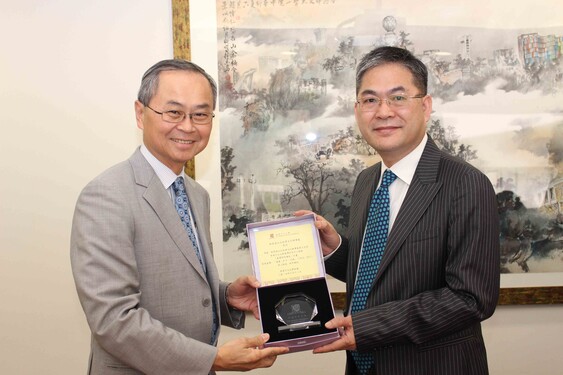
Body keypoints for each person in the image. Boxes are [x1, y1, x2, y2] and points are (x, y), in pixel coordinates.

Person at [70, 59, 288, 375]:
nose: (187, 126)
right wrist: (212, 359)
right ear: (140, 113)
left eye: (200, 114)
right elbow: (113, 319)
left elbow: (176, 282)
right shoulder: (106, 196)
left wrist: (226, 296)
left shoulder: (196, 194)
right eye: (173, 112)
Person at [296, 46, 500, 374]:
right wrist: (334, 247)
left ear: (426, 105)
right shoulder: (368, 180)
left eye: (398, 98)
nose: (384, 111)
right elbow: (381, 271)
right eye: (370, 100)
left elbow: (471, 298)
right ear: (358, 109)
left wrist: (367, 328)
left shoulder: (464, 183)